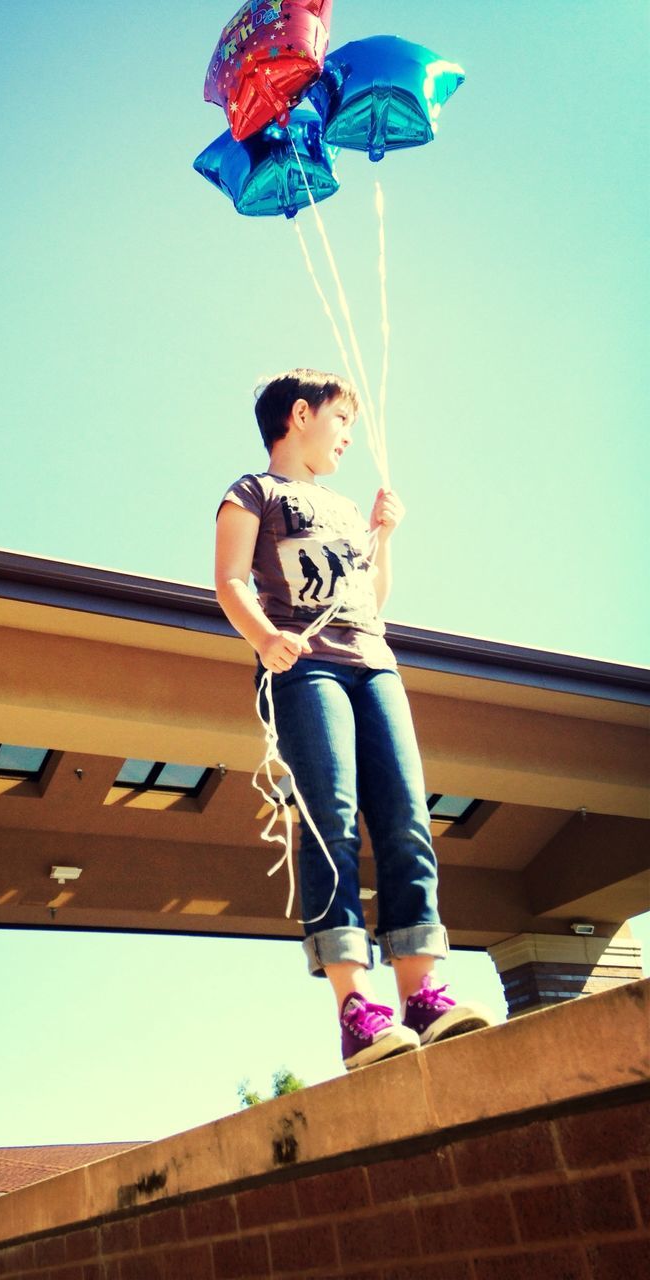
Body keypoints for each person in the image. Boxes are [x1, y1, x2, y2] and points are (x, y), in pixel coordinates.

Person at [214, 369, 495, 1070]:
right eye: (342, 420)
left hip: (375, 664)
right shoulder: (254, 492)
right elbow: (228, 579)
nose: (349, 435)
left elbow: (372, 595)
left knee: (404, 816)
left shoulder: (341, 506)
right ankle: (355, 1008)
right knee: (330, 819)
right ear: (301, 414)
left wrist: (384, 536)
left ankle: (422, 993)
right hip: (305, 670)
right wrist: (263, 637)